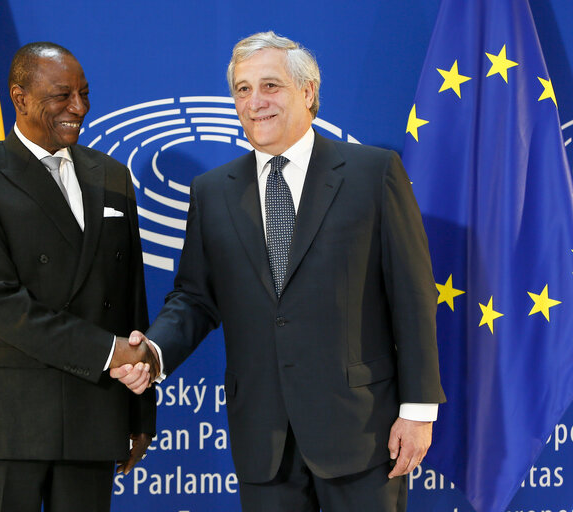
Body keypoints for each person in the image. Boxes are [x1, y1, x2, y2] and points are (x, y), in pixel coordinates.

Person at [111, 32, 445, 511]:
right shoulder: (213, 192)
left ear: (308, 92)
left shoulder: (373, 174)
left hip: (361, 432)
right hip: (264, 440)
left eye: (271, 85)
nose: (255, 102)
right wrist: (155, 353)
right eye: (243, 90)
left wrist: (417, 411)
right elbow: (194, 298)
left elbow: (412, 297)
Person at [0, 42, 158, 512]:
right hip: (11, 420)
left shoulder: (112, 175)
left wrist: (140, 409)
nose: (78, 108)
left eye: (83, 94)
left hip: (94, 412)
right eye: (62, 96)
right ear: (19, 98)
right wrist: (108, 351)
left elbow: (130, 300)